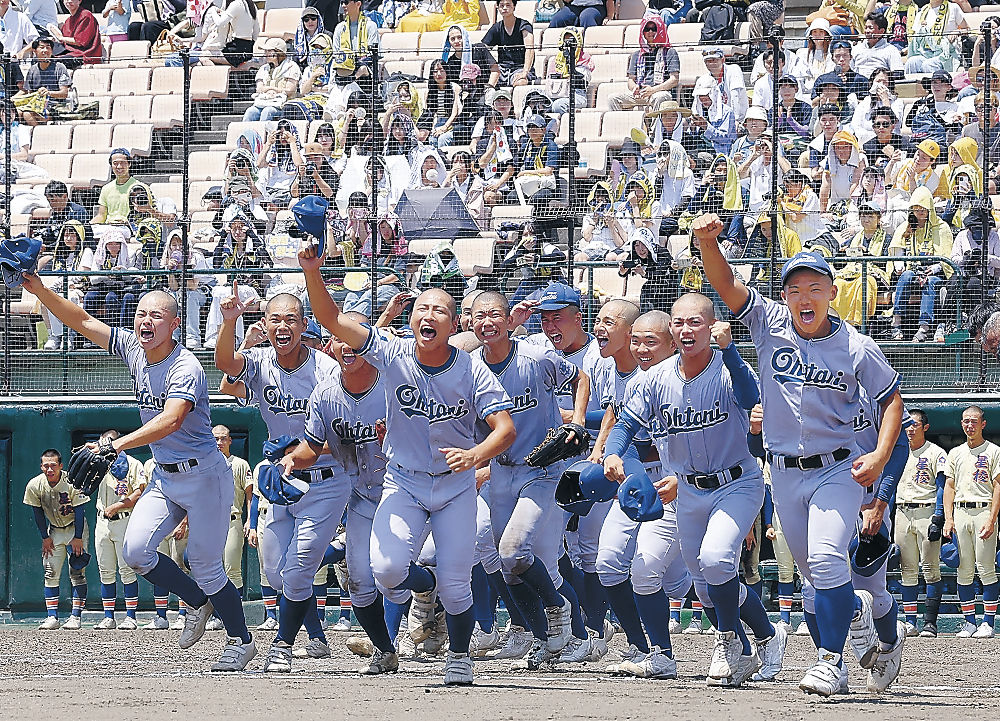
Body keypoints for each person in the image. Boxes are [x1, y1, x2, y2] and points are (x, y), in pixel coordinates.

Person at [695, 215, 903, 697]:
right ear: (784, 295)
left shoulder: (856, 346)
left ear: (831, 292)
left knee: (830, 560)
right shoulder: (769, 323)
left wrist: (879, 457)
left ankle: (832, 663)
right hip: (784, 471)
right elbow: (725, 283)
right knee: (815, 581)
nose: (803, 297)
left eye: (814, 287)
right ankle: (863, 630)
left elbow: (893, 401)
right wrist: (708, 242)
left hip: (838, 466)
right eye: (794, 289)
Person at [298, 244, 516, 686]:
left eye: (439, 309)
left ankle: (459, 656)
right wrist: (311, 271)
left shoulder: (472, 370)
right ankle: (423, 594)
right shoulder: (392, 353)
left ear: (454, 325)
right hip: (404, 482)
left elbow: (505, 428)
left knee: (457, 584)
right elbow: (333, 320)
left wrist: (477, 454)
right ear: (411, 319)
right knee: (387, 569)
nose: (428, 314)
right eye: (421, 308)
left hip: (455, 487)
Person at [20, 273, 256, 671]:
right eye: (141, 313)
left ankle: (241, 640)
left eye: (157, 315)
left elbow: (172, 420)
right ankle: (198, 602)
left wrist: (113, 444)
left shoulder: (186, 367)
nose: (145, 321)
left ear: (175, 324)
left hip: (203, 477)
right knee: (136, 551)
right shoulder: (133, 347)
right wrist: (41, 290)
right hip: (166, 476)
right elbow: (80, 320)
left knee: (205, 563)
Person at [603, 295, 785, 687]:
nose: (687, 330)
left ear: (712, 326)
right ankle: (768, 635)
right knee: (705, 584)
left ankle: (730, 642)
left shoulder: (729, 369)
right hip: (688, 490)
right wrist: (613, 453)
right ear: (672, 329)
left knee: (718, 560)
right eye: (680, 323)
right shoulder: (656, 377)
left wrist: (731, 350)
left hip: (736, 481)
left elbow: (751, 399)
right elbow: (625, 424)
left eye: (695, 323)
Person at [214, 289, 342, 671]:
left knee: (299, 568)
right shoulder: (259, 361)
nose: (283, 326)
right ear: (266, 325)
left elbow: (339, 432)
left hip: (322, 476)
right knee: (276, 572)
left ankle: (282, 645)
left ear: (304, 325)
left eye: (291, 320)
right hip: (277, 478)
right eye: (276, 319)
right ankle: (316, 637)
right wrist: (230, 321)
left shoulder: (326, 368)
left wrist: (301, 454)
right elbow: (226, 367)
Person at [468, 290, 583, 668]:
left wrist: (578, 421)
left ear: (509, 320)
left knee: (513, 551)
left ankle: (558, 610)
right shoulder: (468, 367)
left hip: (542, 470)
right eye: (479, 315)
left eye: (495, 315)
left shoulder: (536, 356)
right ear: (470, 321)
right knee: (510, 568)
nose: (487, 322)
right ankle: (545, 639)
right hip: (502, 470)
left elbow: (580, 377)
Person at [943, 406, 1000, 639]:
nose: (969, 425)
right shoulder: (955, 452)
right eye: (966, 421)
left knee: (986, 568)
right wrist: (948, 518)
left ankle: (988, 623)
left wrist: (992, 518)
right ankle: (969, 622)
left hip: (983, 510)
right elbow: (949, 486)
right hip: (961, 511)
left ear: (983, 424)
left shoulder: (994, 451)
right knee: (963, 570)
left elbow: (998, 486)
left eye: (974, 421)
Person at [894, 409, 948, 638]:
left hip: (926, 510)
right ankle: (910, 621)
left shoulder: (935, 452)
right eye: (907, 424)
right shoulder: (897, 451)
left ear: (925, 427)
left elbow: (942, 486)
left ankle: (930, 623)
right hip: (902, 511)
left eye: (915, 424)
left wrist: (939, 515)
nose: (910, 428)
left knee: (930, 568)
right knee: (907, 568)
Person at [24, 448, 89, 630]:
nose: (50, 469)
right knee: (50, 573)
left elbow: (80, 510)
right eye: (46, 466)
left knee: (77, 572)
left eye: (53, 465)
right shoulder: (35, 484)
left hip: (75, 529)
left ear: (61, 466)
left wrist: (77, 537)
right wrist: (45, 537)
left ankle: (75, 616)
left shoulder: (72, 481)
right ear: (41, 466)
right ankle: (52, 616)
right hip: (53, 530)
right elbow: (36, 512)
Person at [92, 429, 146, 631]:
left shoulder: (132, 463)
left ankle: (131, 616)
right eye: (102, 442)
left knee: (126, 570)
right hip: (102, 521)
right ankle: (109, 617)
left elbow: (140, 491)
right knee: (105, 571)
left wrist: (118, 506)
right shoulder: (97, 463)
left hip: (124, 519)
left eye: (108, 442)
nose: (104, 446)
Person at [887, 186, 954, 342]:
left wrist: (937, 267)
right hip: (913, 271)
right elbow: (898, 249)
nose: (920, 211)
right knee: (905, 275)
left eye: (923, 207)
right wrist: (899, 264)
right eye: (916, 208)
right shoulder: (905, 227)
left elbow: (947, 256)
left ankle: (924, 327)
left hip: (935, 273)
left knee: (931, 282)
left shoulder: (941, 227)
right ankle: (896, 322)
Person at [207, 424, 252, 633]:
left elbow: (250, 495)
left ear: (230, 440)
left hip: (232, 519)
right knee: (211, 569)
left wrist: (250, 522)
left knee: (232, 569)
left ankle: (234, 616)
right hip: (209, 521)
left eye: (223, 438)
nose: (219, 442)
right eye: (216, 438)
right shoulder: (205, 463)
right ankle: (216, 614)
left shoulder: (240, 464)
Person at [609, 16, 678, 111]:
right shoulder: (636, 54)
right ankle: (620, 125)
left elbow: (674, 80)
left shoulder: (669, 52)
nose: (650, 32)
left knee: (660, 97)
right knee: (613, 98)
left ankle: (655, 126)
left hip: (659, 91)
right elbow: (631, 80)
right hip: (641, 94)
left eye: (654, 29)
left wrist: (653, 90)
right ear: (643, 32)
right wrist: (635, 88)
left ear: (660, 30)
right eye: (647, 29)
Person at [16, 36, 71, 126]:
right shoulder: (32, 69)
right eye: (41, 47)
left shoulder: (60, 67)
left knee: (27, 114)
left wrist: (48, 93)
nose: (45, 50)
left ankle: (39, 136)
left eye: (48, 47)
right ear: (35, 51)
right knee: (17, 112)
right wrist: (12, 99)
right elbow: (26, 91)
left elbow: (64, 93)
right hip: (36, 105)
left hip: (55, 107)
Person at [243, 37, 300, 123]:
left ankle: (264, 135)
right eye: (266, 51)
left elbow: (289, 91)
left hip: (283, 105)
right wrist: (272, 90)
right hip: (264, 101)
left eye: (269, 51)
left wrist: (271, 90)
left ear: (278, 53)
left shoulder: (292, 67)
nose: (265, 53)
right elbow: (259, 89)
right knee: (250, 112)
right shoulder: (263, 68)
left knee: (267, 112)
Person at [905, 0, 968, 73]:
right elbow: (916, 38)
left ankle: (935, 84)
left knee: (929, 64)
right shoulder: (922, 12)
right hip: (926, 52)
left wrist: (957, 32)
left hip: (946, 53)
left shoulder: (953, 7)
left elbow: (966, 29)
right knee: (911, 62)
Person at [483, 0, 535, 87]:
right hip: (501, 70)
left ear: (514, 6)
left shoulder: (524, 26)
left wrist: (525, 72)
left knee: (520, 83)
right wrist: (492, 65)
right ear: (497, 7)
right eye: (502, 5)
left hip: (520, 68)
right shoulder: (496, 28)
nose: (504, 8)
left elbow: (530, 49)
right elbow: (483, 49)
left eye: (508, 5)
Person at [93, 149, 140, 226]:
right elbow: (101, 216)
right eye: (115, 163)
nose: (119, 166)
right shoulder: (106, 188)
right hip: (108, 227)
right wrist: (87, 226)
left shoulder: (138, 187)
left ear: (129, 164)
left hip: (129, 228)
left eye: (123, 163)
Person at [852, 13, 904, 80]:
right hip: (857, 85)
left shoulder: (890, 50)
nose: (867, 31)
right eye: (865, 28)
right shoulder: (857, 48)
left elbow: (898, 72)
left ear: (881, 31)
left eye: (871, 28)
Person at [48, 0, 101, 65]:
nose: (69, 1)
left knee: (54, 63)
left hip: (84, 55)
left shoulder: (86, 15)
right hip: (68, 52)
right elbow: (63, 41)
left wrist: (60, 37)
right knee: (42, 59)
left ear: (79, 1)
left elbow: (79, 42)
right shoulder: (68, 20)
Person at [213, 0, 259, 67]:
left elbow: (220, 23)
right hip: (248, 49)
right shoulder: (252, 5)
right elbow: (257, 30)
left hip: (236, 49)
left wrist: (213, 11)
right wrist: (250, 44)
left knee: (205, 57)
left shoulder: (236, 4)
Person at [547, 0, 613, 28]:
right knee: (557, 19)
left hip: (596, 5)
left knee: (586, 17)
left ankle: (589, 49)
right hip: (575, 5)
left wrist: (609, 16)